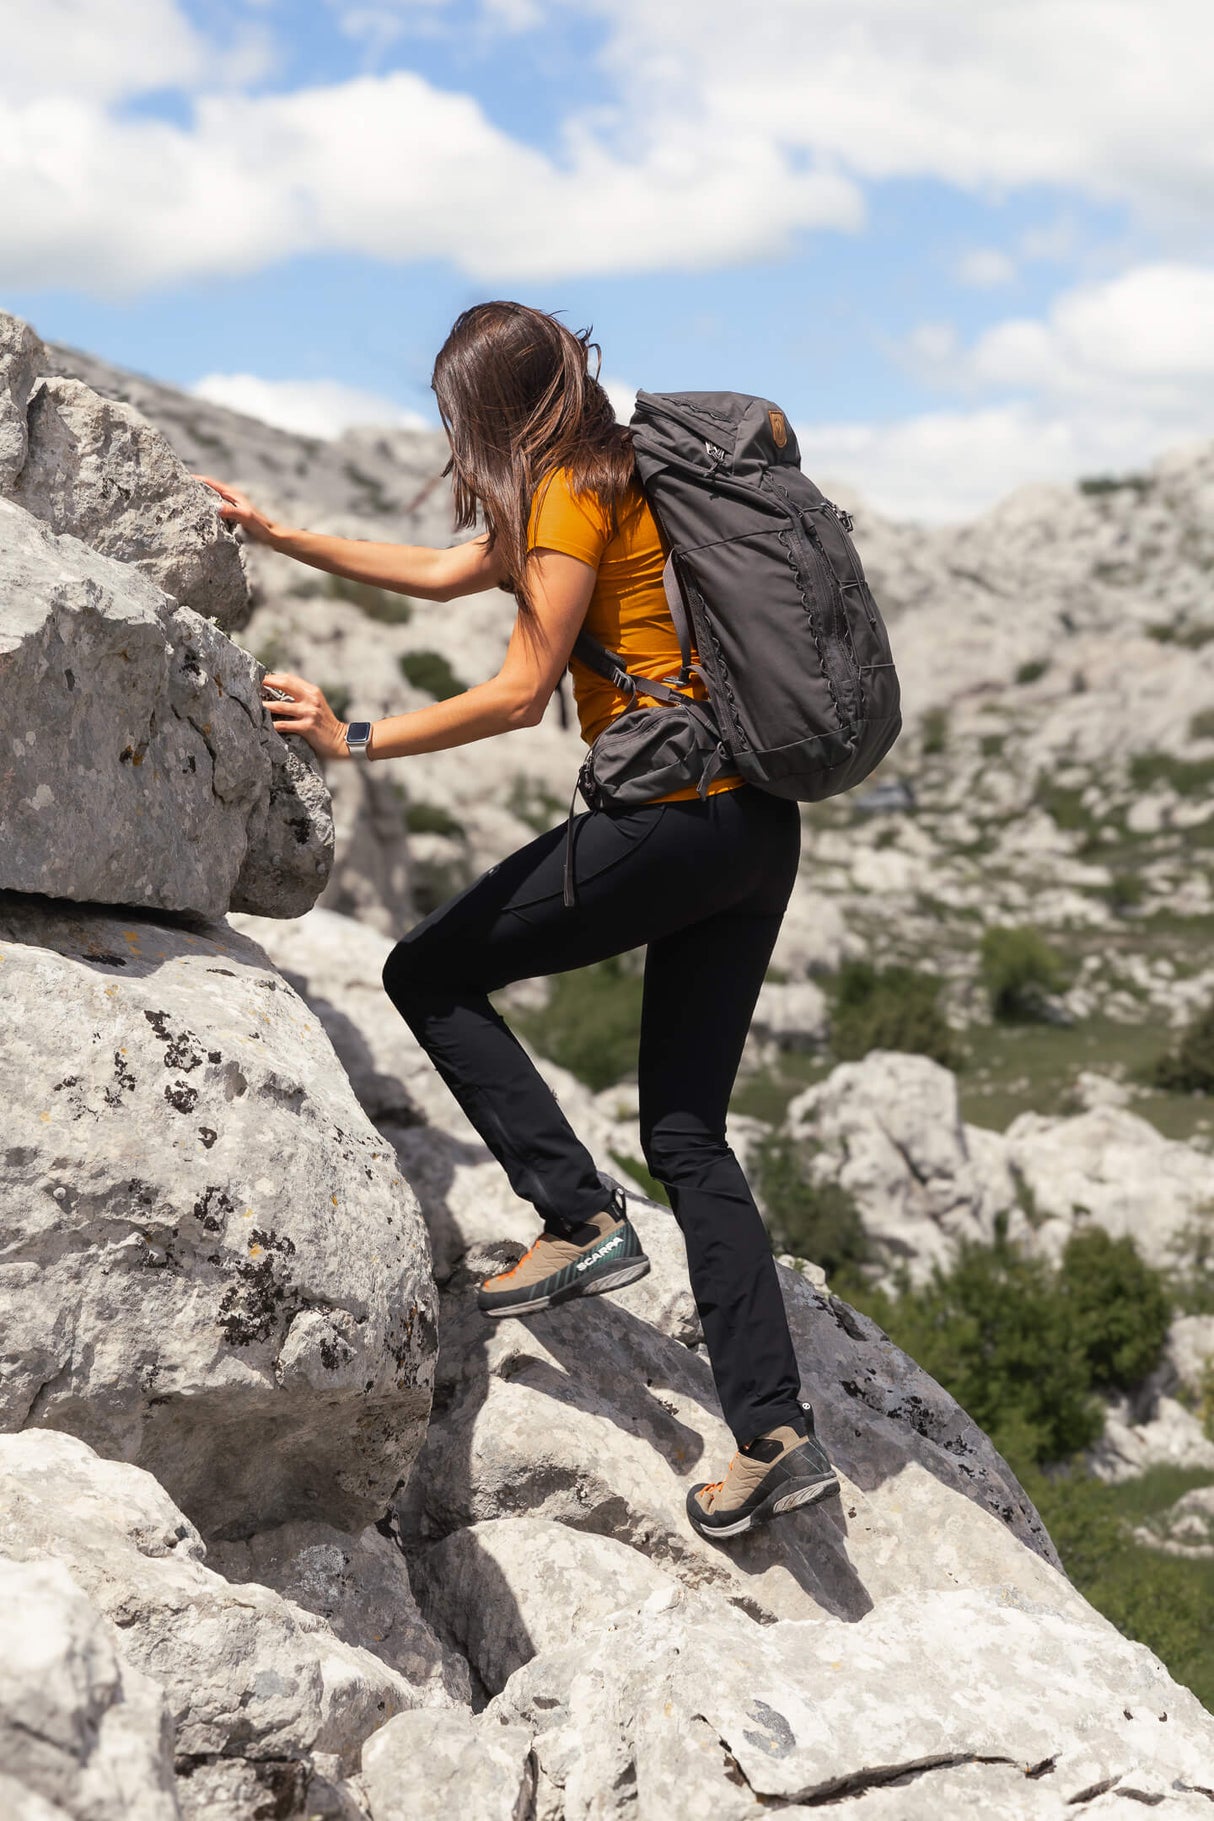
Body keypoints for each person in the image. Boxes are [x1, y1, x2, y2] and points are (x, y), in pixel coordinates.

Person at [198, 300, 839, 1539]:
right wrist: (280, 534)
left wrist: (354, 736)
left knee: (427, 972)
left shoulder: (568, 493)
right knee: (688, 1133)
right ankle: (774, 1433)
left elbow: (515, 691)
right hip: (755, 827)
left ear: (489, 407)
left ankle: (579, 1217)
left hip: (669, 822)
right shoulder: (625, 474)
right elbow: (447, 572)